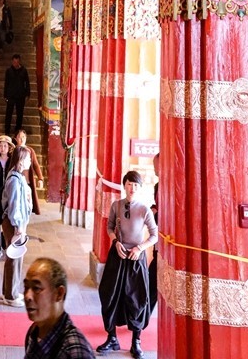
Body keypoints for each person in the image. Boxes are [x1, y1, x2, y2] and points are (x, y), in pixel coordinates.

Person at [96, 170, 157, 357]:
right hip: (118, 256)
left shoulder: (145, 209)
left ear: (140, 188)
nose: (132, 188)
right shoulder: (116, 205)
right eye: (129, 184)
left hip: (135, 259)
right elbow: (109, 227)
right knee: (109, 295)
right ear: (124, 185)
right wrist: (115, 242)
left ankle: (135, 341)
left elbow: (155, 235)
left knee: (136, 300)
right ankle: (112, 337)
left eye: (136, 185)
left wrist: (139, 248)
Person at [23, 257, 96, 358]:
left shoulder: (75, 351)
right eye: (26, 287)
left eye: (36, 288)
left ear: (59, 293)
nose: (27, 296)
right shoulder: (34, 332)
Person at [2, 144, 33, 306]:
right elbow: (14, 206)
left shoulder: (18, 177)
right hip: (14, 224)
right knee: (14, 258)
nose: (29, 161)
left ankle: (8, 290)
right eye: (28, 159)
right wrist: (18, 227)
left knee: (14, 257)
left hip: (18, 223)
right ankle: (11, 295)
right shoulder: (14, 180)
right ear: (20, 161)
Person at [15, 128, 43, 215]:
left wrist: (40, 178)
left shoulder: (30, 151)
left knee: (27, 202)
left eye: (23, 137)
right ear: (16, 139)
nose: (22, 139)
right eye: (19, 137)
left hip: (27, 181)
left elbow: (35, 165)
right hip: (15, 180)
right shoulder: (13, 150)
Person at [4, 53, 30, 134]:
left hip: (20, 95)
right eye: (14, 62)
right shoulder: (9, 71)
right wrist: (5, 95)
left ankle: (17, 130)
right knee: (9, 113)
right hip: (11, 95)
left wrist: (27, 93)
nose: (15, 64)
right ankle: (7, 130)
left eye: (17, 62)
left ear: (19, 62)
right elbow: (6, 83)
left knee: (20, 114)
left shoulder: (24, 70)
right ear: (12, 62)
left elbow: (27, 82)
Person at [148, 152, 159, 315]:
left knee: (153, 276)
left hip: (166, 239)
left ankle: (144, 314)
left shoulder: (170, 184)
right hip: (159, 238)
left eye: (156, 165)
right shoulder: (158, 186)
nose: (155, 168)